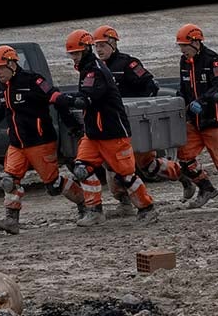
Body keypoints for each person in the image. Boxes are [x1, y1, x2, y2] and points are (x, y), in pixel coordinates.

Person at [53, 29, 159, 226]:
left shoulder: (96, 71)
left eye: (76, 53)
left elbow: (86, 100)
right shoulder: (88, 70)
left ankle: (147, 208)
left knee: (126, 176)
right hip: (93, 134)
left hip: (113, 133)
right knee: (82, 169)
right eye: (72, 54)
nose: (74, 58)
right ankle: (94, 211)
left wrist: (61, 99)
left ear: (85, 50)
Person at [0, 45, 85, 234]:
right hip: (17, 143)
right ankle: (11, 220)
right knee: (9, 180)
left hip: (40, 141)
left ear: (12, 64)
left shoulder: (33, 80)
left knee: (54, 185)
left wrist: (72, 116)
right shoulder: (3, 85)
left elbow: (54, 96)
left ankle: (84, 202)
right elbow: (4, 106)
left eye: (0, 67)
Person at [91, 24, 184, 215]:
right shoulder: (97, 68)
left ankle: (185, 176)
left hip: (134, 124)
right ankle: (125, 204)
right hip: (115, 126)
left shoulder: (128, 64)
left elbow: (150, 86)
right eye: (96, 46)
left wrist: (139, 108)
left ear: (113, 43)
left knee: (148, 165)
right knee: (113, 167)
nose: (99, 50)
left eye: (102, 45)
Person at [175, 23, 218, 211]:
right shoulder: (184, 62)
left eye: (184, 46)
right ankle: (206, 189)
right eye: (180, 46)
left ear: (196, 43)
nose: (182, 50)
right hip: (195, 122)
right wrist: (179, 100)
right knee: (185, 160)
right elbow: (184, 88)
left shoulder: (214, 60)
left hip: (216, 122)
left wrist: (203, 102)